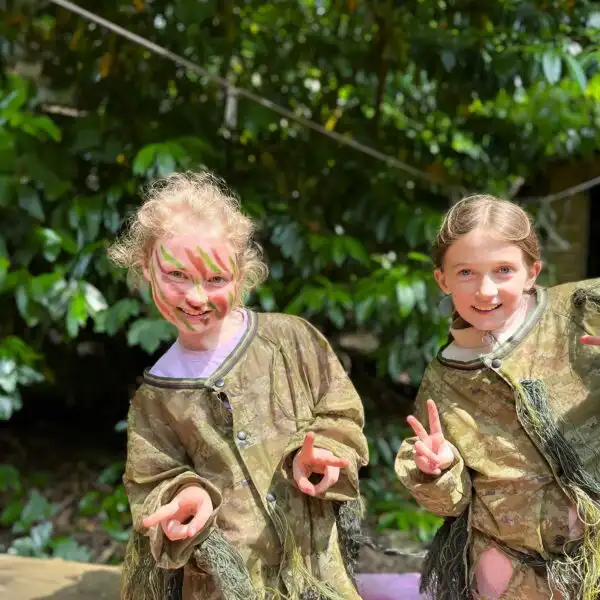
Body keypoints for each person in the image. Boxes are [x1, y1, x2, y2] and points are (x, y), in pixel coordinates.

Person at [108, 171, 369, 600]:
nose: (196, 297)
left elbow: (341, 412)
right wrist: (187, 495)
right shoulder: (156, 399)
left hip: (315, 573)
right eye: (177, 275)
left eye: (215, 280)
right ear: (145, 268)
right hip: (224, 584)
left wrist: (327, 453)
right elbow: (153, 478)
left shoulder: (292, 342)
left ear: (242, 275)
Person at [394, 195, 600, 600]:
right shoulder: (445, 379)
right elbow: (449, 503)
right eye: (466, 272)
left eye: (503, 270)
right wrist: (440, 469)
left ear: (532, 272)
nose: (485, 290)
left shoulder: (584, 311)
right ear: (443, 280)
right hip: (507, 575)